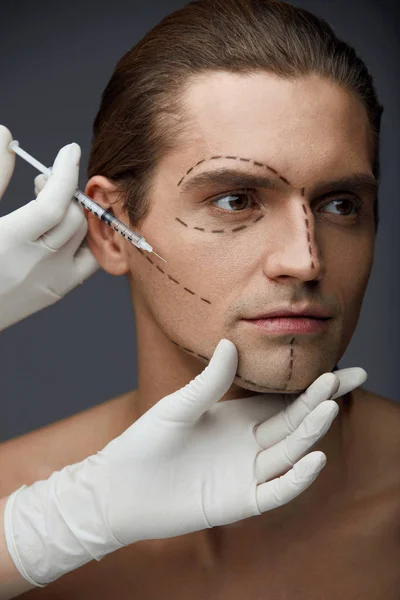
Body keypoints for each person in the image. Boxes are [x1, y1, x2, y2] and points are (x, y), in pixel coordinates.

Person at [2, 0, 400, 597]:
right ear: (111, 229)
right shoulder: (18, 506)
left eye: (340, 204)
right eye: (236, 200)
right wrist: (45, 534)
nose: (304, 258)